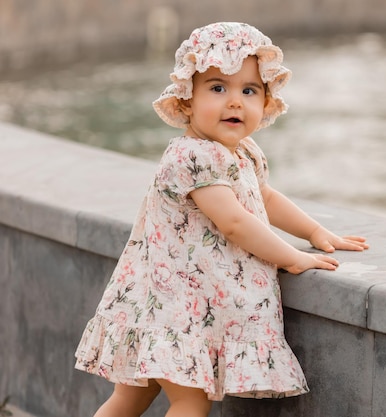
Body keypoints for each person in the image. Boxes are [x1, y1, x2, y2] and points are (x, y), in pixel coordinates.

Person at [74, 22, 369, 417]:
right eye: (217, 88)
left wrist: (315, 232)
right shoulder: (191, 156)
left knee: (129, 399)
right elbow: (235, 222)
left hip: (165, 309)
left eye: (249, 90)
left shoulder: (242, 152)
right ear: (186, 100)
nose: (234, 102)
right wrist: (291, 257)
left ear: (265, 102)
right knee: (189, 401)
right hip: (172, 313)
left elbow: (264, 198)